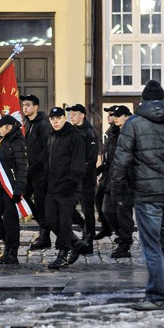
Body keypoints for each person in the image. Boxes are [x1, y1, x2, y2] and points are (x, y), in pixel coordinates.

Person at [110, 80, 164, 311]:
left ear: (142, 100)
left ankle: (157, 296)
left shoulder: (133, 124)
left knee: (152, 246)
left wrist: (118, 189)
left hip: (147, 194)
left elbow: (121, 160)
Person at [42, 106, 86, 268]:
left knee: (64, 221)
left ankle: (63, 254)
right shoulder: (52, 136)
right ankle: (76, 243)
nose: (55, 121)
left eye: (58, 118)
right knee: (51, 219)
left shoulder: (74, 136)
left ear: (64, 119)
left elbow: (79, 163)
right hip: (53, 187)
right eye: (52, 119)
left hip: (69, 188)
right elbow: (48, 160)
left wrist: (70, 183)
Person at [0, 114, 28, 264]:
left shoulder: (17, 142)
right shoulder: (1, 141)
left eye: (1, 127)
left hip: (11, 187)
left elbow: (23, 167)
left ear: (9, 127)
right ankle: (7, 241)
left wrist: (19, 189)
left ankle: (12, 252)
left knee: (11, 221)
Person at [102, 105, 135, 258]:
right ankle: (121, 235)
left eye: (119, 115)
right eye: (114, 115)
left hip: (127, 180)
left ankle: (125, 244)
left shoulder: (131, 133)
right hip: (112, 178)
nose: (115, 117)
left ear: (127, 117)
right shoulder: (112, 133)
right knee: (107, 210)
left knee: (124, 214)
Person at [21, 94, 53, 250]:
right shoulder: (28, 123)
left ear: (36, 107)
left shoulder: (43, 124)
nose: (25, 107)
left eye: (28, 105)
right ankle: (42, 225)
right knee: (23, 196)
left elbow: (47, 148)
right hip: (30, 171)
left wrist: (35, 165)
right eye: (24, 105)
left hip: (40, 172)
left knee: (41, 203)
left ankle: (45, 235)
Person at [67, 103, 99, 255]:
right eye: (70, 114)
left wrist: (80, 173)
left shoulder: (89, 132)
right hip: (73, 179)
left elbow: (91, 158)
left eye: (74, 114)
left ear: (82, 115)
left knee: (87, 210)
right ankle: (81, 226)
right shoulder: (72, 131)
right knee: (68, 208)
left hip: (85, 179)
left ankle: (88, 240)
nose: (71, 117)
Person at [94, 106, 118, 241]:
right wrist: (101, 168)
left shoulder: (117, 132)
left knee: (112, 208)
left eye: (111, 114)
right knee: (98, 197)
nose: (108, 116)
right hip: (107, 173)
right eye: (108, 114)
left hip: (114, 174)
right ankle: (106, 227)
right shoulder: (109, 132)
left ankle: (119, 232)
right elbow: (107, 154)